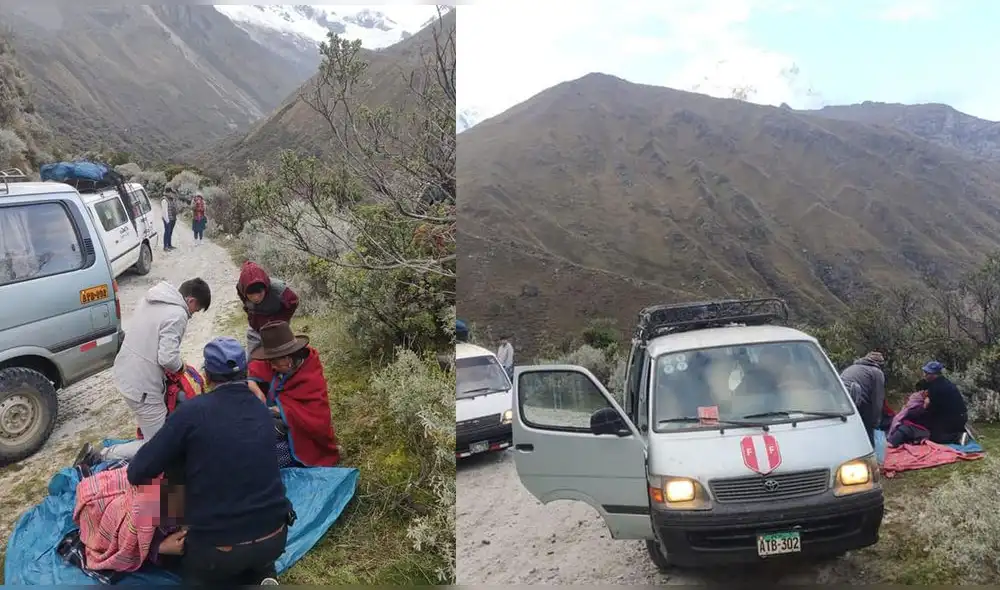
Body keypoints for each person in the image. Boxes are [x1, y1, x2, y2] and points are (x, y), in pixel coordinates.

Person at [127, 337, 292, 586]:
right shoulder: (261, 409)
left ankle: (167, 547)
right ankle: (262, 572)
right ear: (245, 372)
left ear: (206, 376)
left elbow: (137, 472)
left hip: (217, 550)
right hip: (276, 538)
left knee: (172, 470)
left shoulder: (191, 413)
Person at [97, 279, 212, 462]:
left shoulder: (154, 298)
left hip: (125, 371)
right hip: (142, 384)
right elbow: (167, 358)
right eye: (195, 310)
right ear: (191, 301)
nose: (192, 314)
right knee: (158, 446)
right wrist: (181, 366)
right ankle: (103, 456)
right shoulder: (178, 314)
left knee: (155, 429)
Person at [248, 321, 340, 468]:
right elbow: (254, 369)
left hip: (303, 435)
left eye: (274, 362)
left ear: (288, 359)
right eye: (269, 361)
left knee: (267, 441)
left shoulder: (310, 372)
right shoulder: (275, 362)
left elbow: (316, 418)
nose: (271, 366)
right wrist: (254, 386)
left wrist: (281, 411)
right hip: (277, 417)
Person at [236, 261, 299, 355]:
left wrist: (280, 321)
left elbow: (293, 302)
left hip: (277, 326)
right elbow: (246, 305)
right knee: (253, 356)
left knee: (282, 354)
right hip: (256, 329)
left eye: (259, 293)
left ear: (265, 288)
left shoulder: (279, 289)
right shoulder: (241, 288)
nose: (256, 298)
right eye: (251, 295)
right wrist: (253, 319)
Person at [911, 360, 968, 444]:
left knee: (934, 436)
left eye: (927, 373)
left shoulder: (937, 388)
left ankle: (958, 436)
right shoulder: (940, 382)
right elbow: (920, 385)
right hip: (956, 415)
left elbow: (932, 410)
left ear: (935, 375)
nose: (925, 375)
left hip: (955, 418)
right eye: (925, 372)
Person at [839, 351, 886, 446]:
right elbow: (877, 400)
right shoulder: (876, 372)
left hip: (838, 398)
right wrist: (875, 423)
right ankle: (869, 451)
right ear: (880, 364)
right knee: (867, 425)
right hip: (853, 397)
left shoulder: (852, 368)